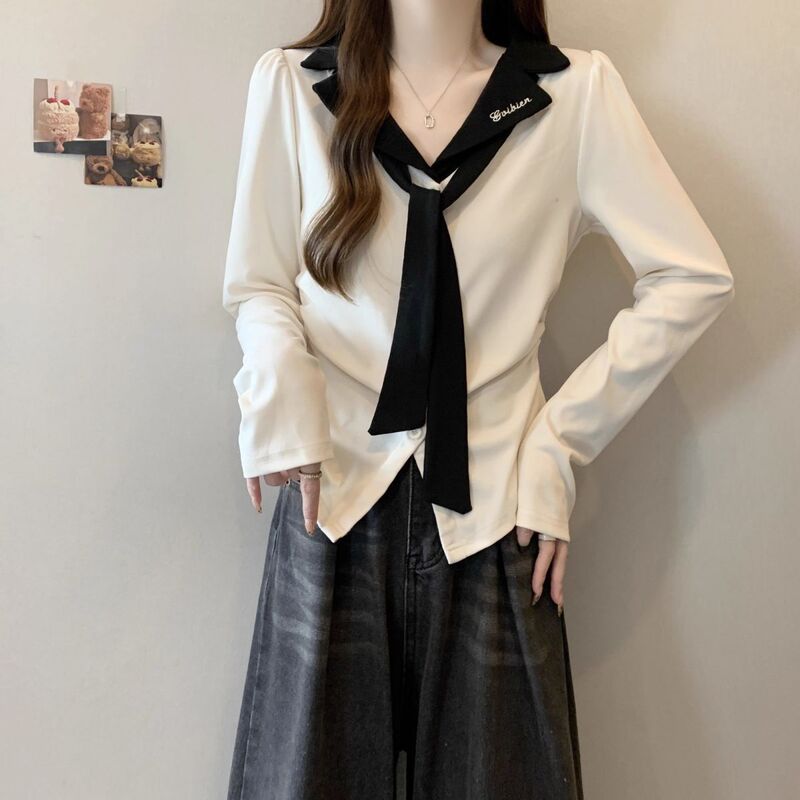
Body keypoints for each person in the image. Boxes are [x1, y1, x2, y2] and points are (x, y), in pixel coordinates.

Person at [221, 1, 735, 797]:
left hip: (498, 507)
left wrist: (558, 443)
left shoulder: (574, 96)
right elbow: (259, 283)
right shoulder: (295, 86)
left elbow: (692, 277)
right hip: (332, 493)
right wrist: (281, 406)